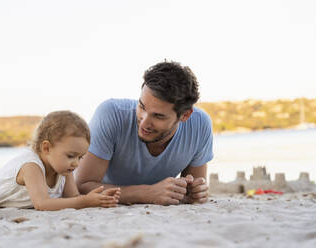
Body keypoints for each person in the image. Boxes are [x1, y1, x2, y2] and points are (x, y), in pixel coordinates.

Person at [75, 61, 213, 205]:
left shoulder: (200, 125)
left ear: (185, 115)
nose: (144, 122)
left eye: (158, 116)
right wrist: (146, 193)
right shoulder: (111, 114)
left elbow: (190, 192)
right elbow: (82, 186)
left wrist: (195, 191)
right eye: (141, 106)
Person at [0, 111, 120, 211]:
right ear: (46, 148)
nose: (76, 163)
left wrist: (94, 198)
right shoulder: (32, 167)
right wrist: (84, 202)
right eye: (71, 156)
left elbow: (73, 197)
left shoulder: (64, 169)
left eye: (80, 157)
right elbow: (42, 204)